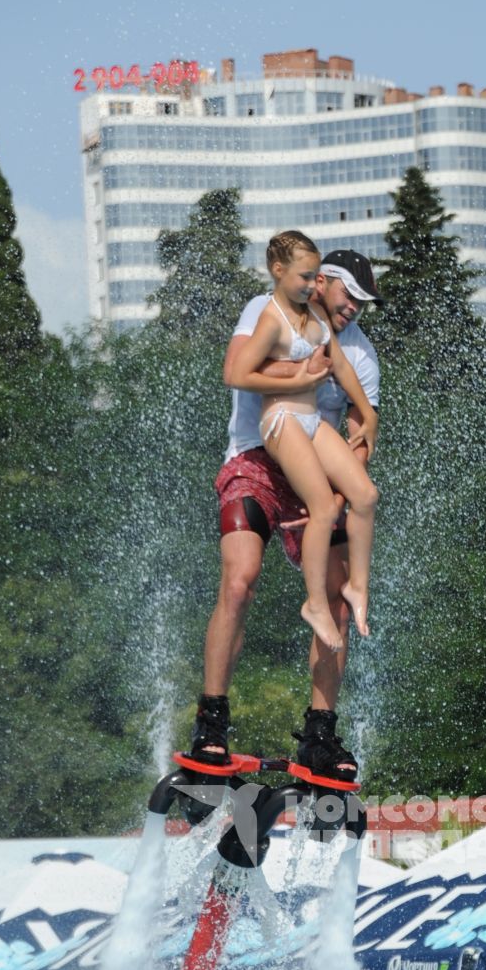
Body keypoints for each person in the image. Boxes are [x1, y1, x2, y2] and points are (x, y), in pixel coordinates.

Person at [186, 244, 383, 788]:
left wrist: (338, 501)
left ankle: (320, 734)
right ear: (322, 281)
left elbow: (361, 435)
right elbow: (241, 369)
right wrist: (299, 375)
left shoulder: (361, 355)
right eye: (350, 297)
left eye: (365, 305)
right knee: (240, 579)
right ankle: (211, 723)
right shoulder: (266, 309)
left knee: (340, 595)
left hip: (315, 473)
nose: (354, 311)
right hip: (255, 458)